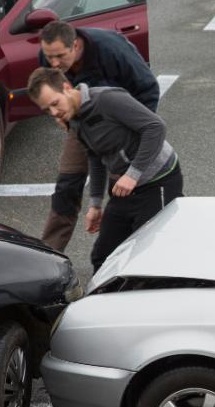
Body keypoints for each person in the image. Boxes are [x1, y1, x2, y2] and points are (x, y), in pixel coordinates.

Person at [27, 67, 183, 272]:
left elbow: (156, 127)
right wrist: (95, 204)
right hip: (124, 187)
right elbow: (95, 156)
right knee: (103, 255)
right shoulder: (74, 118)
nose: (54, 113)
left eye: (55, 103)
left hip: (158, 179)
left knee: (146, 253)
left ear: (66, 87)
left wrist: (133, 174)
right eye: (47, 110)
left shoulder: (107, 99)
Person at [37, 20, 160, 251]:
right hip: (81, 124)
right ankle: (50, 254)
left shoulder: (112, 50)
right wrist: (62, 118)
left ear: (75, 45)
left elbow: (149, 89)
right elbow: (50, 92)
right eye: (48, 57)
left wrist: (133, 133)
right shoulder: (49, 56)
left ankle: (136, 252)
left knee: (127, 188)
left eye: (60, 56)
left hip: (122, 123)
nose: (53, 63)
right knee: (66, 186)